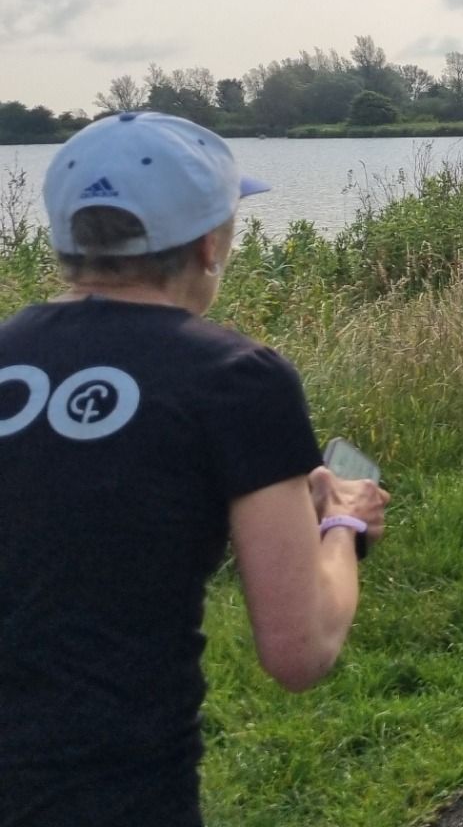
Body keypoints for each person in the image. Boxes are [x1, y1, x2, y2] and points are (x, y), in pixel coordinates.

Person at [0, 112, 391, 824]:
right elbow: (299, 649)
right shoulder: (236, 378)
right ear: (210, 246)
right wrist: (340, 523)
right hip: (113, 793)